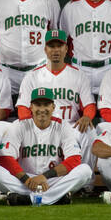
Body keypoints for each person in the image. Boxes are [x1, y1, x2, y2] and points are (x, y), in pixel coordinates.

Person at [0, 87, 93, 206]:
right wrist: (27, 180)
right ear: (31, 107)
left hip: (52, 180)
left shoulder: (63, 126)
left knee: (85, 171)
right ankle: (55, 197)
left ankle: (29, 199)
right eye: (38, 105)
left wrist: (44, 177)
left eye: (46, 105)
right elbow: (5, 159)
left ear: (53, 107)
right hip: (25, 180)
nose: (42, 109)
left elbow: (74, 159)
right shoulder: (19, 125)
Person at [15, 31, 97, 172]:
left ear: (66, 49)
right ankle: (29, 176)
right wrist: (33, 128)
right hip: (40, 127)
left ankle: (86, 182)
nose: (56, 50)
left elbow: (89, 105)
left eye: (59, 46)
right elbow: (22, 108)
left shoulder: (78, 75)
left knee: (89, 132)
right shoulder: (32, 76)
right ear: (45, 49)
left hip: (70, 126)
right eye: (51, 46)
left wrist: (87, 116)